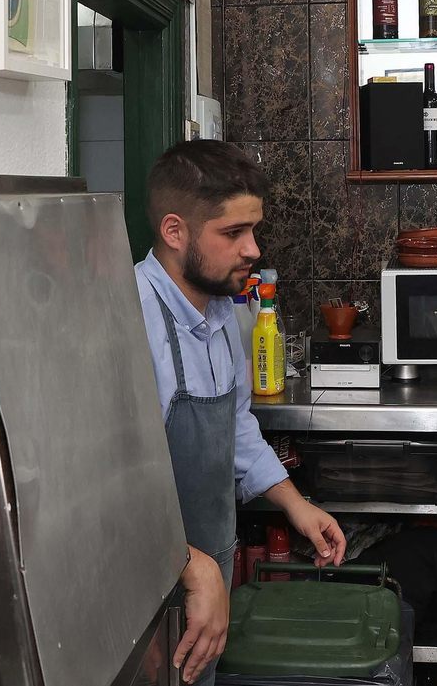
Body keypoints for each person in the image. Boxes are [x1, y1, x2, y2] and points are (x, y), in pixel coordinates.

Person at [135, 140, 347, 684]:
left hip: (204, 584)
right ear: (175, 231)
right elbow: (102, 486)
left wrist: (295, 505)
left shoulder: (227, 314)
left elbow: (233, 424)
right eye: (233, 234)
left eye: (254, 230)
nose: (253, 249)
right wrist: (190, 564)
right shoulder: (129, 321)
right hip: (141, 594)